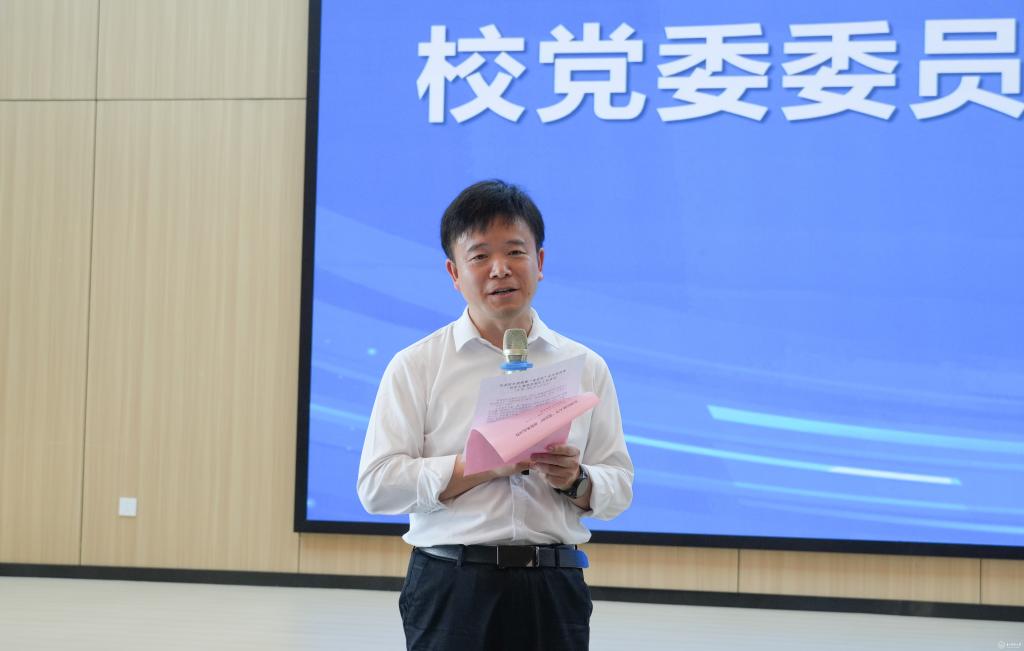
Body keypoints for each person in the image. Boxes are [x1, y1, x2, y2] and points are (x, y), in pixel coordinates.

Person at [357, 180, 633, 650]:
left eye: (515, 252)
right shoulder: (417, 365)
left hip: (554, 587)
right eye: (480, 255)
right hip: (453, 585)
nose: (500, 269)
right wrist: (481, 465)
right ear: (454, 272)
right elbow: (377, 486)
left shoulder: (585, 366)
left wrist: (576, 480)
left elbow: (619, 486)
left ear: (540, 262)